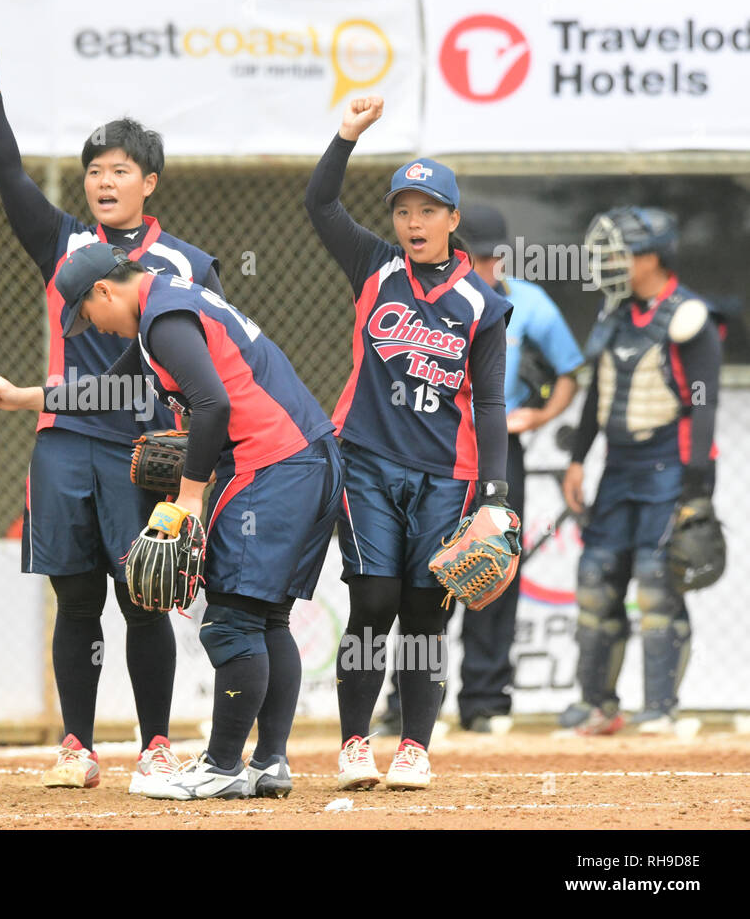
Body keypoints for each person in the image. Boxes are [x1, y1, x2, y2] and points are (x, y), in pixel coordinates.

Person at [0, 242, 343, 799]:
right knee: (267, 617)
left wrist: (190, 498)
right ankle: (268, 762)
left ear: (105, 290)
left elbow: (212, 405)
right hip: (307, 457)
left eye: (87, 315)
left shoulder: (163, 319)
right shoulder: (166, 306)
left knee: (230, 621)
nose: (93, 328)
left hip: (275, 464)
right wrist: (24, 398)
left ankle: (221, 765)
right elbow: (109, 391)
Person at [0, 39, 224, 792]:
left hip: (143, 450)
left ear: (149, 181)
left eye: (119, 171)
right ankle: (77, 744)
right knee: (74, 596)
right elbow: (9, 175)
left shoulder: (186, 263)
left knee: (145, 595)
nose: (104, 182)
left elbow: (215, 366)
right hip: (65, 444)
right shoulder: (65, 242)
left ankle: (155, 744)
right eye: (94, 172)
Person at [305, 97, 514, 790]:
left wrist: (494, 497)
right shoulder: (375, 266)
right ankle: (356, 744)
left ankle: (416, 747)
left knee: (427, 607)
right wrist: (346, 136)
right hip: (365, 461)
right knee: (373, 600)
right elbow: (321, 203)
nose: (414, 222)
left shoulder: (483, 304)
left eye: (428, 210)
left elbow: (489, 401)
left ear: (454, 221)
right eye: (403, 210)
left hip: (444, 474)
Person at [373, 205, 584, 735]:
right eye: (478, 254)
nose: (486, 264)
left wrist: (539, 415)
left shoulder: (527, 303)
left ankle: (485, 701)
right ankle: (408, 703)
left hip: (497, 447)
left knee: (493, 569)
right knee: (429, 571)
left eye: (493, 256)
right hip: (439, 443)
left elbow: (570, 372)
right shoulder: (436, 295)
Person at [560, 206, 720, 735]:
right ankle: (597, 703)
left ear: (651, 257)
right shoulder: (612, 315)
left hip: (666, 471)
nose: (610, 263)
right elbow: (594, 396)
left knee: (656, 588)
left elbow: (703, 404)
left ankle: (659, 708)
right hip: (616, 471)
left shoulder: (688, 315)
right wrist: (578, 459)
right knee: (596, 582)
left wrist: (697, 487)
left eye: (621, 253)